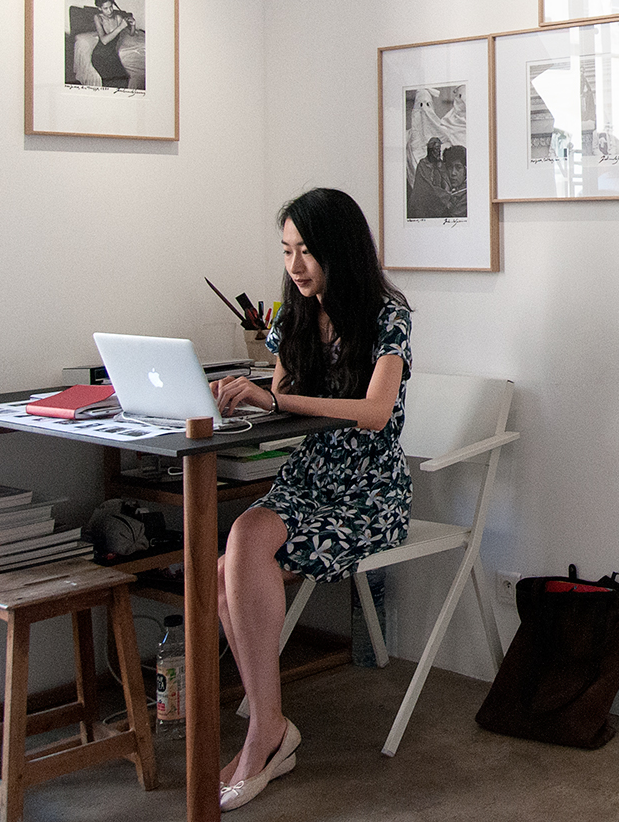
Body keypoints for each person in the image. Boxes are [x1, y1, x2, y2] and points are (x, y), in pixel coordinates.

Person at [208, 188, 414, 810]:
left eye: (307, 252)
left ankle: (265, 734)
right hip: (308, 476)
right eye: (287, 251)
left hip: (368, 488)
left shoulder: (388, 315)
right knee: (238, 548)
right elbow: (281, 393)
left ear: (340, 251)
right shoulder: (292, 316)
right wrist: (247, 398)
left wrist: (275, 400)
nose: (295, 266)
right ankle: (268, 728)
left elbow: (375, 414)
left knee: (231, 568)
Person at [88, 0, 133, 89]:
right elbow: (104, 40)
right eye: (105, 8)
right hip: (99, 56)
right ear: (100, 8)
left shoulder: (118, 18)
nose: (110, 11)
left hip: (112, 55)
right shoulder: (98, 17)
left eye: (111, 7)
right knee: (110, 84)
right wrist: (120, 27)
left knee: (124, 79)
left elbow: (131, 33)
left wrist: (133, 25)